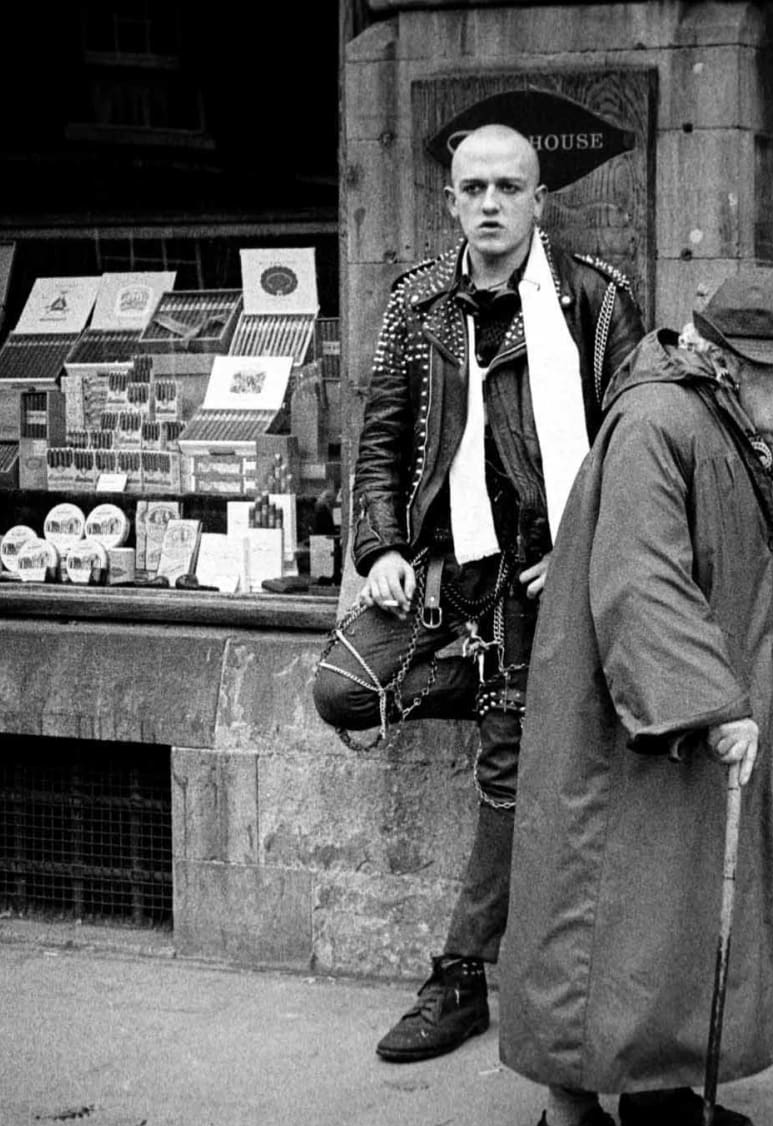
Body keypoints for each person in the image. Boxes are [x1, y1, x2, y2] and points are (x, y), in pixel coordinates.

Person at [498, 268, 773, 1126]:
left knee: (670, 912)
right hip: (631, 728)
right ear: (732, 363)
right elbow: (642, 578)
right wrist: (715, 704)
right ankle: (564, 1121)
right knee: (601, 910)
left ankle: (654, 1088)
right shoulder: (663, 424)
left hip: (674, 718)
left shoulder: (708, 420)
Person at [314, 123, 644, 1064]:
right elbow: (379, 444)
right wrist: (379, 547)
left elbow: (631, 442)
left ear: (541, 199)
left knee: (506, 765)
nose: (490, 203)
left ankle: (459, 977)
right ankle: (510, 691)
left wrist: (584, 548)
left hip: (542, 574)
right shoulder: (417, 301)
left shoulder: (595, 298)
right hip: (443, 572)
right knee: (343, 690)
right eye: (473, 188)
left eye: (509, 186)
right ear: (451, 200)